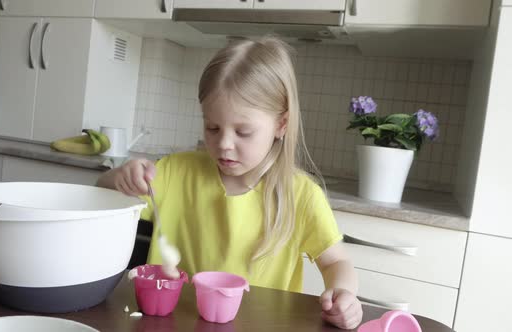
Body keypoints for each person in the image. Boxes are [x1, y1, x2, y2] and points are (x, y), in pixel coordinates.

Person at [97, 36, 363, 329]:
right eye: (212, 127)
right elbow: (101, 196)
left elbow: (336, 262)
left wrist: (344, 294)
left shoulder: (300, 195)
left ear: (281, 124)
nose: (223, 144)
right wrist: (120, 177)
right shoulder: (174, 172)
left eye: (243, 132)